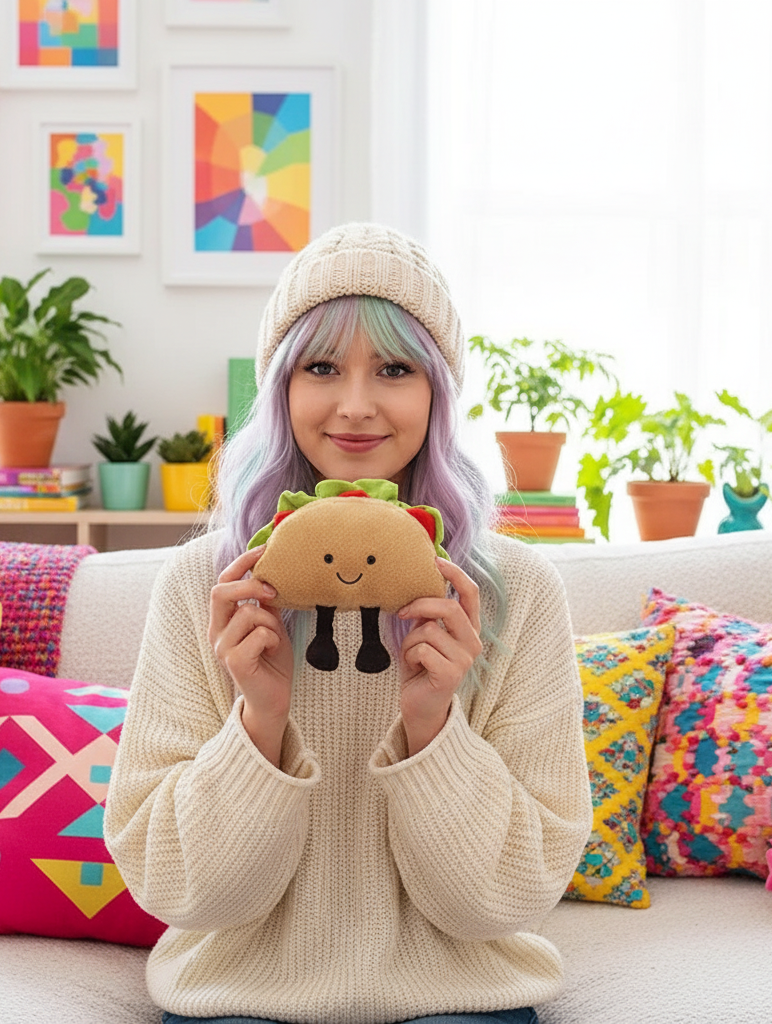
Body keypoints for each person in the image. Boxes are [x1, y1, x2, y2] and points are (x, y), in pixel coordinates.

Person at [105, 223, 593, 1024]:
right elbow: (177, 888)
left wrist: (433, 725)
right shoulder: (206, 586)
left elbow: (509, 896)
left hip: (459, 1002)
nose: (356, 406)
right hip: (235, 1002)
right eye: (321, 367)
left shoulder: (515, 593)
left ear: (436, 393)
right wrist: (260, 719)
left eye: (395, 369)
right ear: (280, 391)